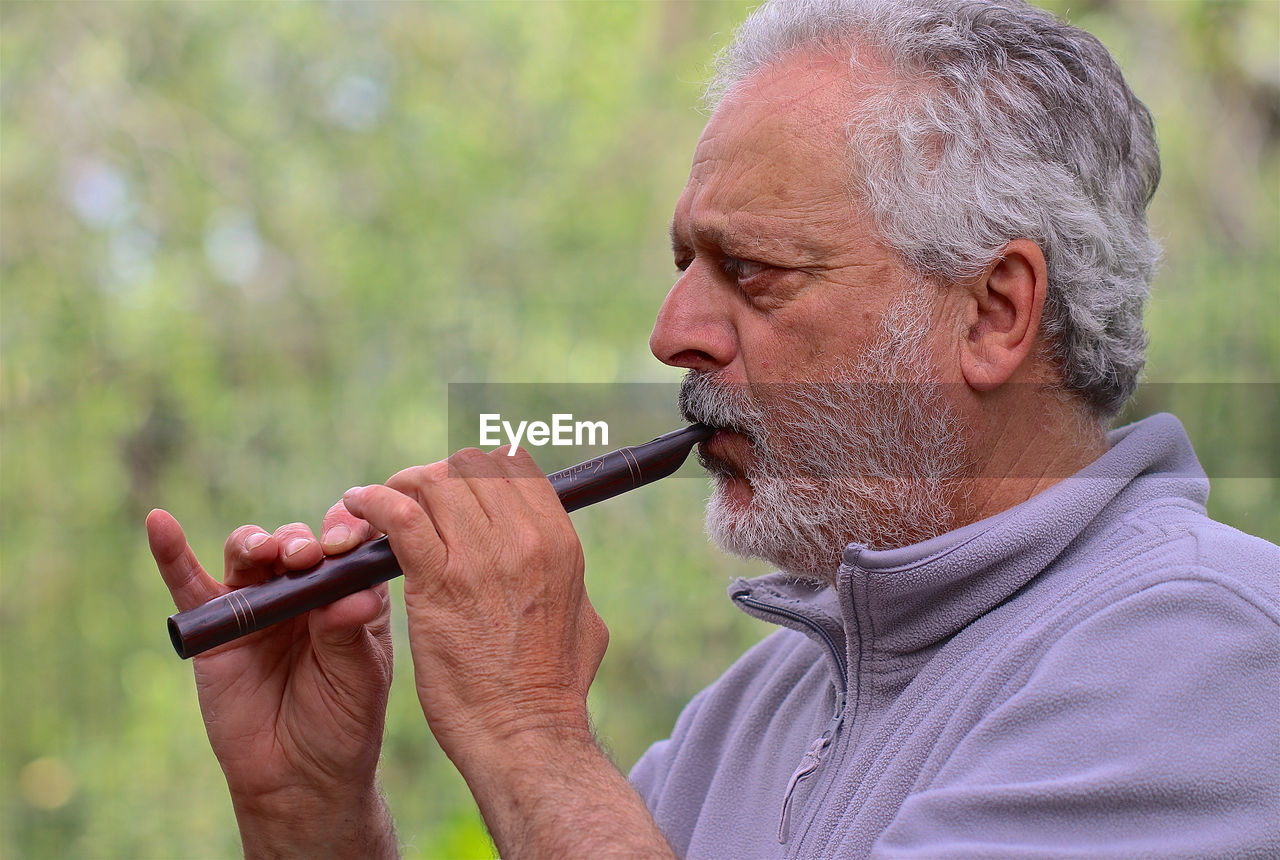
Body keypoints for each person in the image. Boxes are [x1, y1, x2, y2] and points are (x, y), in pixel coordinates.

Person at [147, 0, 1280, 856]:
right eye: (685, 263)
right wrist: (310, 811)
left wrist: (528, 730)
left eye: (752, 272)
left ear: (992, 312)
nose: (672, 331)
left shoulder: (1203, 653)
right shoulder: (760, 706)